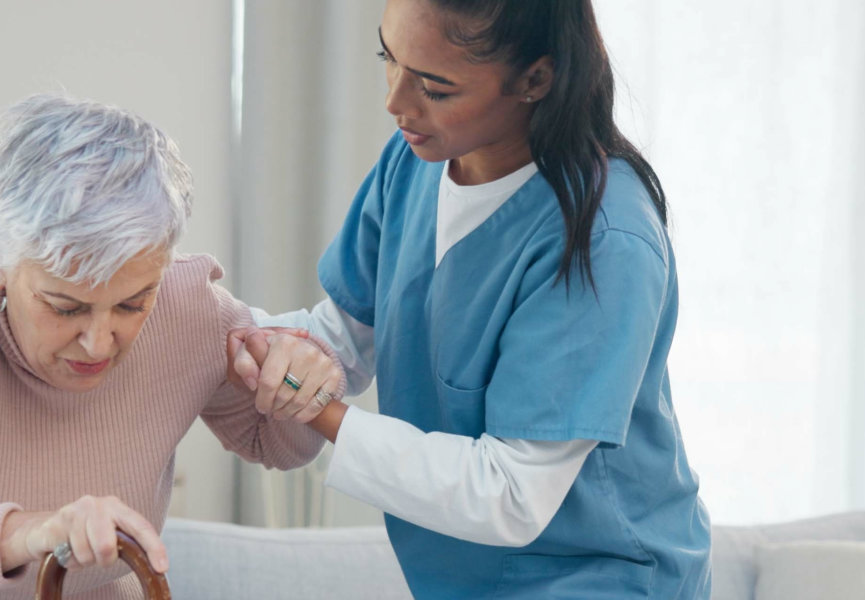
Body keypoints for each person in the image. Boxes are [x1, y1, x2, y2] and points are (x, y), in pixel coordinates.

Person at [230, 0, 711, 596]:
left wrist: (317, 407)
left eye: (435, 86)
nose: (397, 103)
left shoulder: (604, 239)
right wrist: (211, 325)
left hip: (600, 579)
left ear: (535, 78)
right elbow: (342, 343)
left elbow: (512, 495)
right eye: (390, 58)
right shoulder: (411, 162)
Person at [0, 93, 345, 599]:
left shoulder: (189, 309)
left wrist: (303, 379)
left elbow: (278, 447)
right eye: (65, 307)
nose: (99, 342)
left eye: (133, 304)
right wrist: (32, 532)